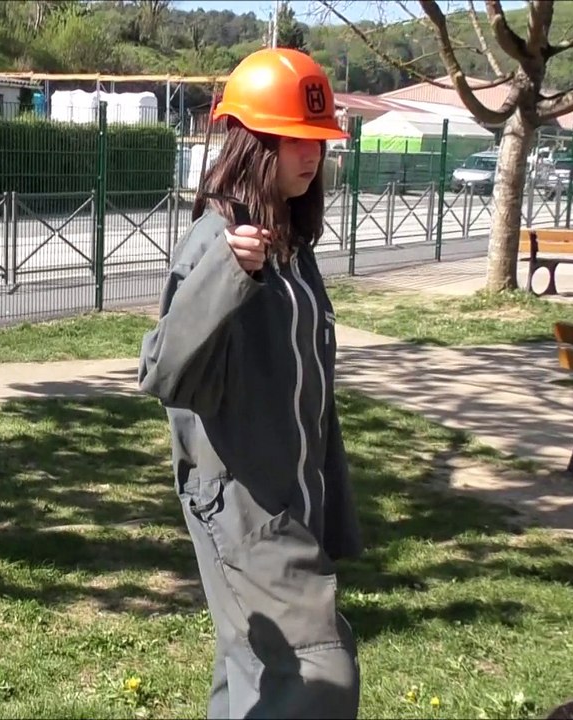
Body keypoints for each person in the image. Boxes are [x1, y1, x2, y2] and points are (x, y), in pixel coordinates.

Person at [138, 48, 363, 718]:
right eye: (293, 139)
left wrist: (332, 498)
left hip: (296, 501)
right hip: (242, 508)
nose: (310, 156)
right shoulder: (218, 240)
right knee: (320, 673)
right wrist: (226, 275)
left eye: (318, 142)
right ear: (253, 142)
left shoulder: (291, 242)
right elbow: (166, 372)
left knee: (252, 668)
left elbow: (310, 388)